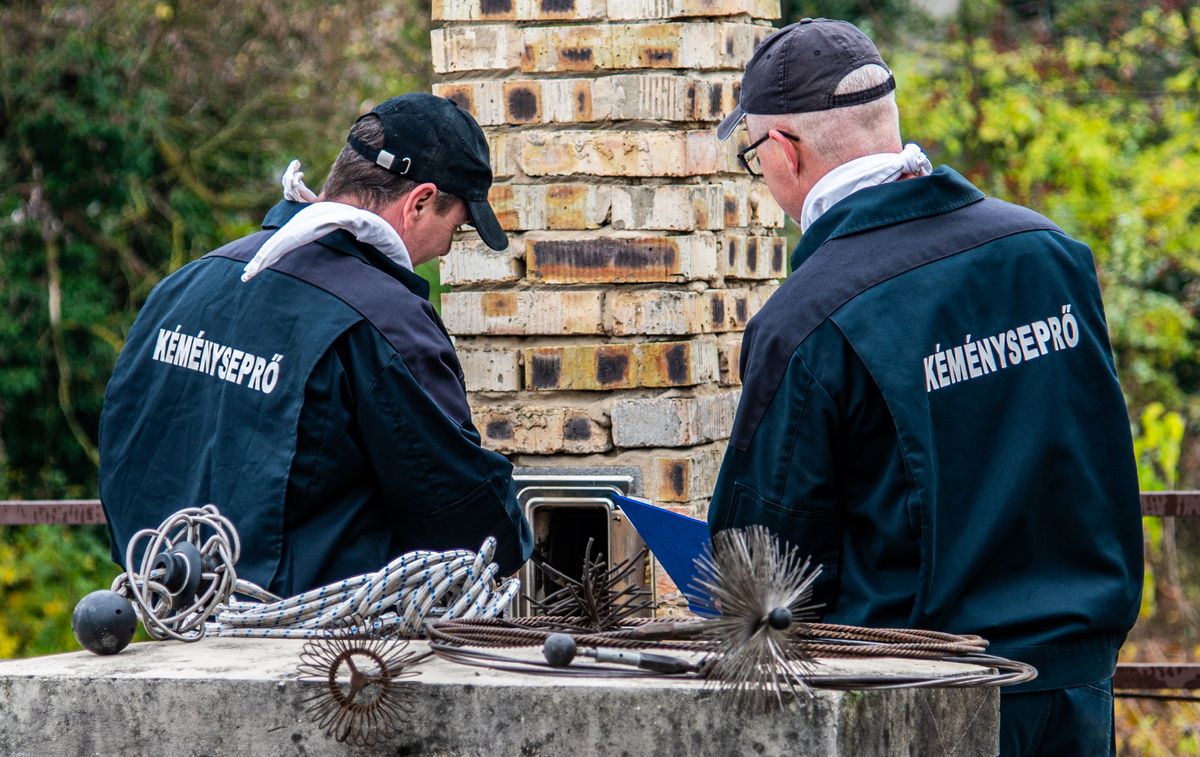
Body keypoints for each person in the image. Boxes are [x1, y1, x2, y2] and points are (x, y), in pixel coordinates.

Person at [708, 19, 1142, 756]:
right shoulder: (1050, 257)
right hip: (1074, 695)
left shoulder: (806, 322)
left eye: (754, 155)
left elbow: (763, 571)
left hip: (915, 707)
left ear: (784, 150)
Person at [100, 93, 533, 597]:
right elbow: (467, 523)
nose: (441, 251)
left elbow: (123, 452)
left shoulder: (189, 283)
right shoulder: (387, 322)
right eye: (454, 227)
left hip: (170, 622)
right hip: (313, 653)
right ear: (419, 202)